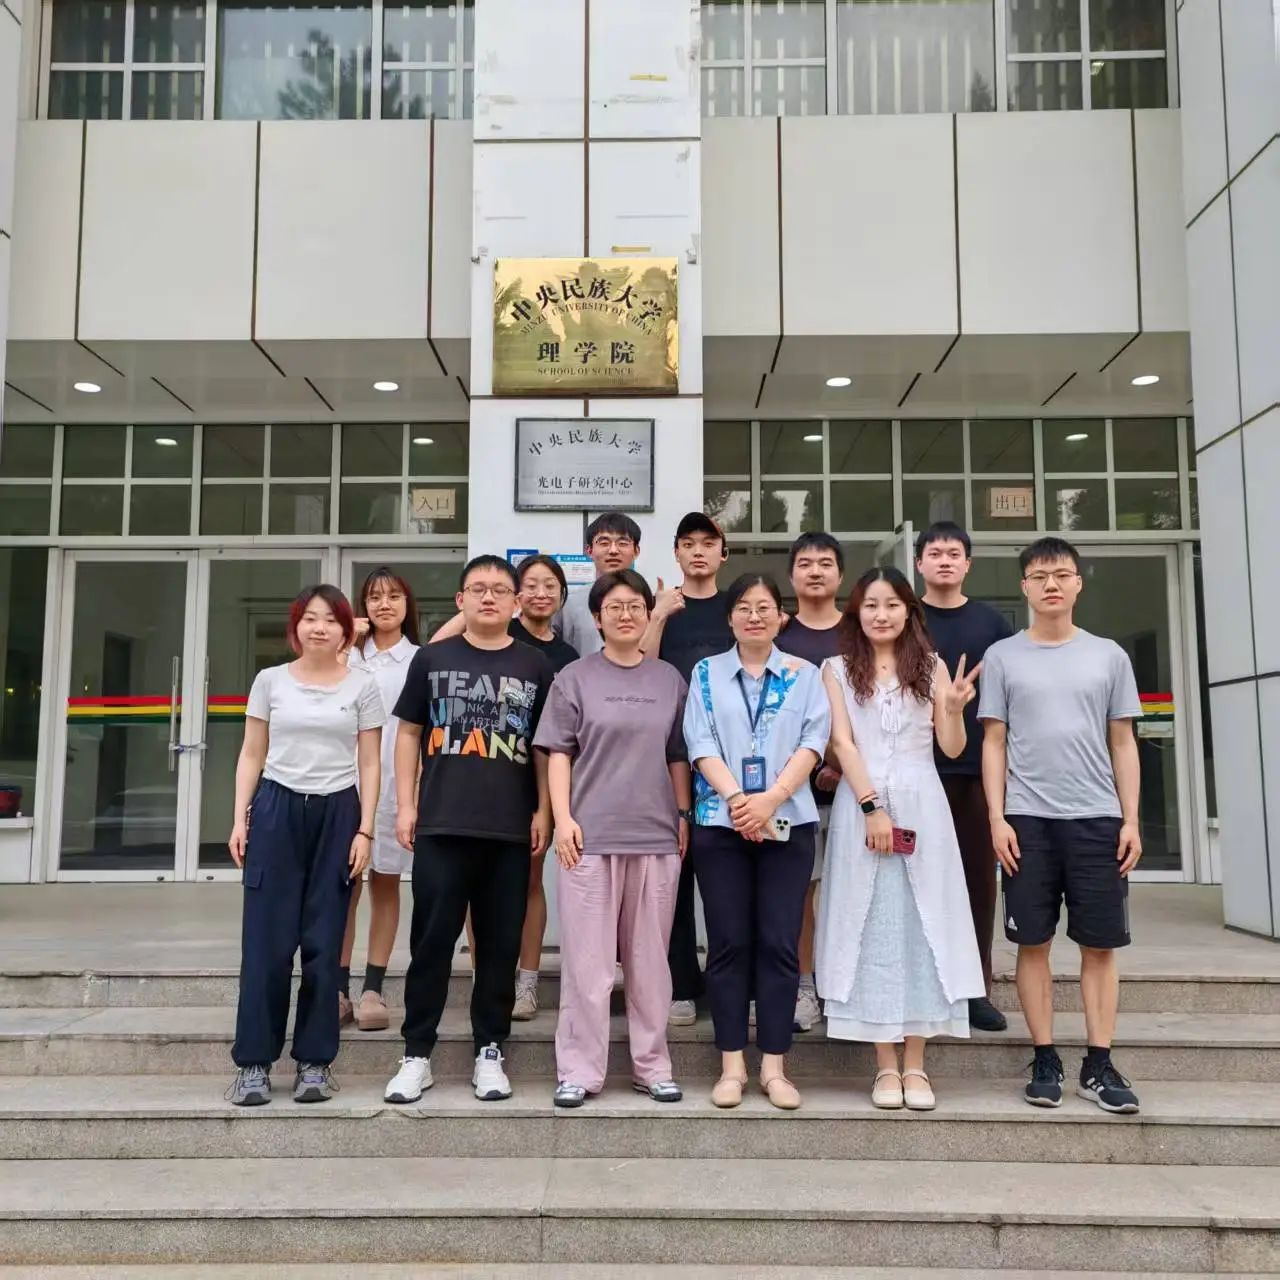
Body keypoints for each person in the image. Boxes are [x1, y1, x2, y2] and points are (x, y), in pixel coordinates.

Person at [979, 536, 1143, 1115]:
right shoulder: (1003, 656)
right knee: (1033, 942)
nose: (1051, 584)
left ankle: (1099, 1063)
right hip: (1028, 821)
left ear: (1078, 583)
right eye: (1040, 576)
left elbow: (1123, 742)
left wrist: (1131, 818)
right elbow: (993, 742)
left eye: (1062, 574)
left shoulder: (1108, 656)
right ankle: (1045, 1056)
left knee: (1100, 945)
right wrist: (997, 817)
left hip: (1098, 820)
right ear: (1024, 586)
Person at [383, 556, 554, 1105]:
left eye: (500, 590)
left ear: (516, 603)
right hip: (441, 824)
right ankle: (417, 1054)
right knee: (431, 943)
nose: (489, 597)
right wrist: (406, 806)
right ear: (460, 600)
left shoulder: (534, 665)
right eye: (478, 589)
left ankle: (490, 1051)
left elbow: (545, 749)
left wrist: (544, 810)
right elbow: (409, 733)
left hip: (508, 830)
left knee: (500, 947)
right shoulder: (432, 658)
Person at [817, 568, 985, 1111]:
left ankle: (916, 1063)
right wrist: (872, 808)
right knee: (870, 927)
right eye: (870, 605)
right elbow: (842, 743)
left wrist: (953, 710)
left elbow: (952, 749)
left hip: (923, 804)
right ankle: (885, 1065)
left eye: (892, 604)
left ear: (909, 612)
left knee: (922, 925)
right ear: (856, 612)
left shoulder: (932, 666)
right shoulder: (835, 669)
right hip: (861, 807)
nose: (881, 614)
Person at [535, 569, 692, 1108]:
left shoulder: (669, 680)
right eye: (614, 607)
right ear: (597, 618)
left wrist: (682, 814)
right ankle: (579, 1071)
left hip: (655, 837)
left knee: (650, 963)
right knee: (588, 965)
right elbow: (559, 753)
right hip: (589, 839)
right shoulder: (574, 678)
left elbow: (677, 754)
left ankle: (653, 1066)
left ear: (649, 614)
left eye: (635, 606)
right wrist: (563, 818)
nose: (626, 615)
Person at [226, 585, 384, 1107]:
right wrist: (240, 819)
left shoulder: (363, 685)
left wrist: (365, 829)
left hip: (337, 814)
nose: (320, 627)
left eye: (331, 619)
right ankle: (253, 1063)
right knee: (266, 945)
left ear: (345, 630)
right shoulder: (270, 681)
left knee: (324, 943)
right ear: (295, 627)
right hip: (276, 809)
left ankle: (315, 1062)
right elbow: (252, 753)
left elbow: (370, 762)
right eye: (310, 618)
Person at [683, 573, 831, 1111]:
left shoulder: (804, 674)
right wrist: (738, 800)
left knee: (778, 943)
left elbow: (814, 740)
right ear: (729, 618)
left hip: (787, 824)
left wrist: (770, 799)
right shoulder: (705, 673)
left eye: (764, 607)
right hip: (721, 825)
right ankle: (731, 1065)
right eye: (744, 607)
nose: (754, 616)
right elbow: (700, 742)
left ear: (780, 617)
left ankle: (774, 1065)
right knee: (728, 943)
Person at [426, 554, 579, 1021]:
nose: (539, 593)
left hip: (531, 787)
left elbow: (554, 739)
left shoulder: (563, 659)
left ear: (562, 595)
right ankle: (486, 976)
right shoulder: (485, 637)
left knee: (529, 883)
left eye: (549, 585)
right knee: (474, 890)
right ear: (518, 597)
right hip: (472, 791)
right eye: (529, 584)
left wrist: (547, 807)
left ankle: (526, 981)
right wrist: (483, 597)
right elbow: (434, 650)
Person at [916, 522, 1014, 1033]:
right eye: (935, 553)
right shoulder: (906, 618)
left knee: (977, 883)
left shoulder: (991, 624)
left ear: (968, 564)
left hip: (976, 772)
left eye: (954, 553)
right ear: (919, 563)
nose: (945, 561)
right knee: (917, 883)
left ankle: (975, 989)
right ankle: (924, 984)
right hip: (915, 771)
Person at [641, 512, 733, 1027]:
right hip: (667, 759)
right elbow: (641, 667)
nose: (698, 551)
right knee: (672, 876)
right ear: (676, 553)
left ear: (723, 553)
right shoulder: (664, 606)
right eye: (688, 543)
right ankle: (679, 984)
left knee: (724, 879)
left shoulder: (736, 607)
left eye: (708, 543)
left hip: (730, 764)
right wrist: (657, 616)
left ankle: (725, 982)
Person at [339, 567, 421, 1032]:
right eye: (374, 597)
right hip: (341, 785)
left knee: (385, 883)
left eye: (393, 596)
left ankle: (372, 988)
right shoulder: (346, 655)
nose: (384, 604)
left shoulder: (418, 659)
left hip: (394, 787)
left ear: (408, 605)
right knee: (342, 889)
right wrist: (347, 642)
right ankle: (337, 989)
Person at [774, 531, 845, 1032]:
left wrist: (844, 763)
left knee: (851, 893)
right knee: (798, 894)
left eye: (824, 563)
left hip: (857, 794)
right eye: (805, 563)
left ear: (840, 574)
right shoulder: (778, 636)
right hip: (793, 794)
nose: (815, 571)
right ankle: (803, 987)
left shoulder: (860, 632)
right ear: (792, 575)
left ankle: (845, 987)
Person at [555, 512, 642, 658]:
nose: (613, 551)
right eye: (604, 543)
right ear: (589, 550)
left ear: (636, 551)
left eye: (622, 543)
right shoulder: (568, 602)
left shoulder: (647, 602)